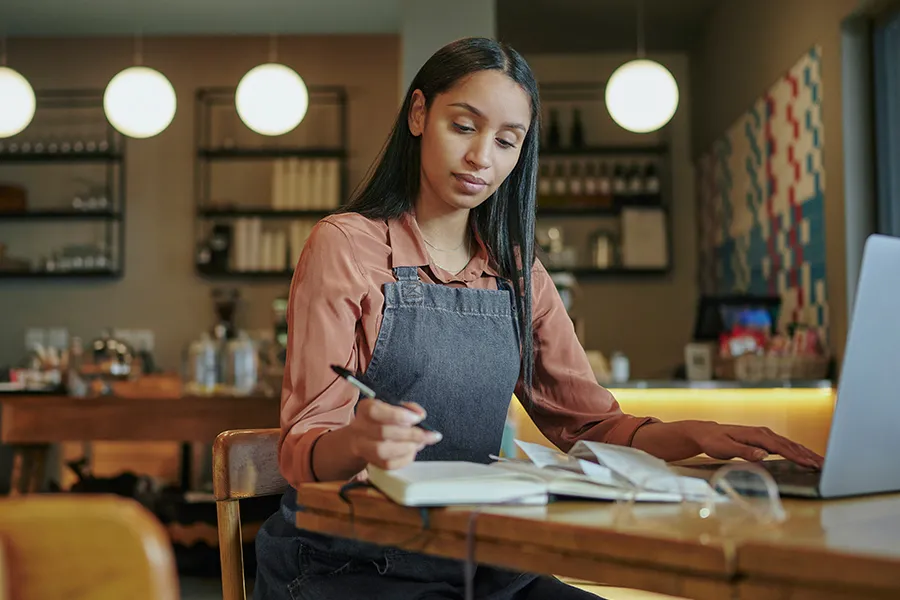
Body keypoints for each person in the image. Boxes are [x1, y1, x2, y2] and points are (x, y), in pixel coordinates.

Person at [253, 37, 824, 600]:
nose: (482, 157)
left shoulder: (519, 272)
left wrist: (692, 435)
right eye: (464, 126)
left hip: (475, 555)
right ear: (419, 114)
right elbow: (303, 448)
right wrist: (357, 443)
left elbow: (589, 427)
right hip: (347, 561)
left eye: (507, 141)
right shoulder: (345, 245)